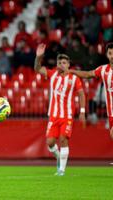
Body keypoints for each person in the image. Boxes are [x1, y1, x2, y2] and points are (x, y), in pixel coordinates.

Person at [34, 43, 86, 176]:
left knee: (63, 139)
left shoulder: (74, 79)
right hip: (53, 115)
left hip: (67, 115)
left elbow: (81, 94)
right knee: (50, 142)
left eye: (64, 62)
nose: (61, 64)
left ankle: (61, 170)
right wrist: (38, 57)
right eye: (59, 62)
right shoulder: (52, 74)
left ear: (68, 64)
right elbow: (37, 68)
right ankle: (58, 158)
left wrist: (82, 111)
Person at [62, 42, 113, 139]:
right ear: (107, 55)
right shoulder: (103, 70)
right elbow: (88, 74)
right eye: (110, 53)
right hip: (111, 113)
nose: (112, 56)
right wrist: (72, 71)